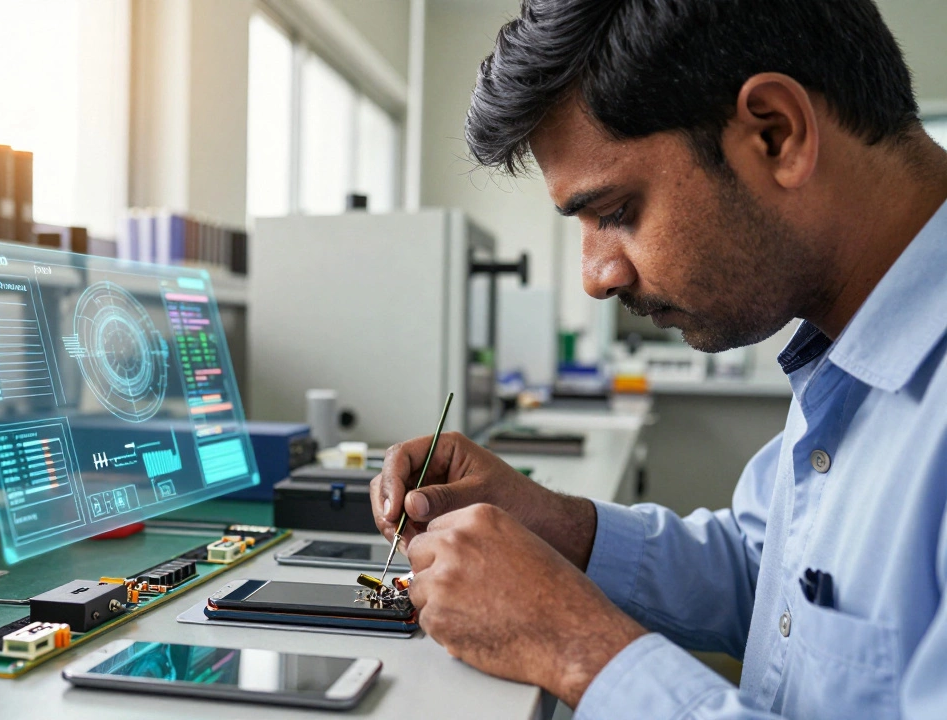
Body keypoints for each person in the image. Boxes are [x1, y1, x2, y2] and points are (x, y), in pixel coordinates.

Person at [369, 1, 947, 717]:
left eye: (615, 212)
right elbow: (773, 573)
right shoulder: (846, 348)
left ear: (776, 134)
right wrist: (554, 523)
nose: (596, 277)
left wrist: (573, 645)